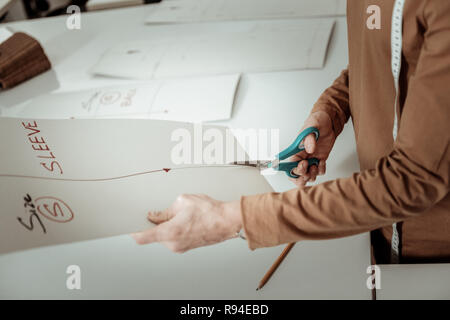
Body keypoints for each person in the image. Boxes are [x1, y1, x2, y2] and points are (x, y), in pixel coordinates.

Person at [132, 0, 450, 264]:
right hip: (379, 216)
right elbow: (382, 58)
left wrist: (231, 219)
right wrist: (333, 109)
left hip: (425, 254)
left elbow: (412, 180)